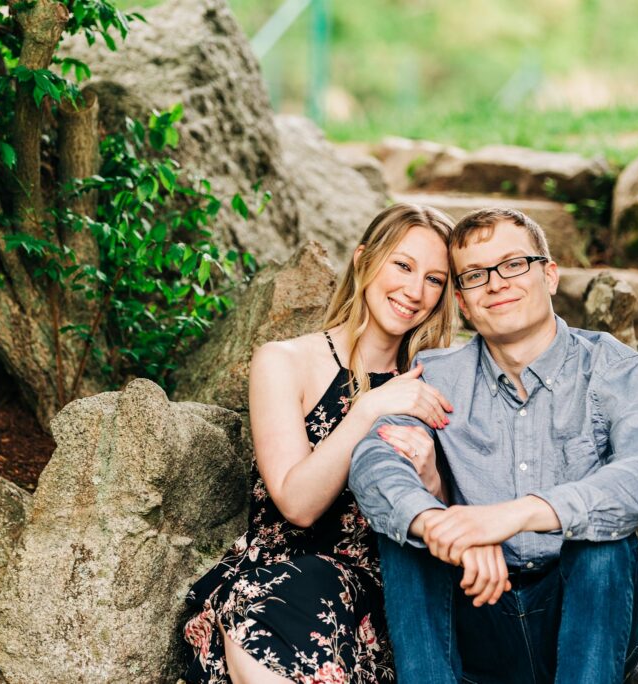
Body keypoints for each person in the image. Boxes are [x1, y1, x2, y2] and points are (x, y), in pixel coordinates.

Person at [349, 208, 638, 684]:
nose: (496, 283)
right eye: (476, 275)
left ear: (550, 275)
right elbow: (373, 460)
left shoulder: (611, 367)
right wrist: (441, 526)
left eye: (514, 264)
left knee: (602, 542)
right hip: (477, 615)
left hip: (583, 624)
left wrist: (510, 516)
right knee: (406, 532)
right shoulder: (438, 375)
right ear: (461, 300)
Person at [182, 203, 460, 684]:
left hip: (376, 598)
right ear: (363, 260)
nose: (415, 291)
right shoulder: (283, 362)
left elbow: (450, 527)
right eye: (403, 265)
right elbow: (298, 504)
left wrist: (432, 476)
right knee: (262, 618)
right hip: (271, 581)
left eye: (435, 279)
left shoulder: (435, 381)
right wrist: (369, 408)